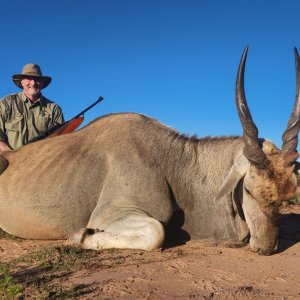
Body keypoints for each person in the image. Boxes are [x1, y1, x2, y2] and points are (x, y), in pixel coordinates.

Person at [0, 63, 64, 151]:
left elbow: (59, 140)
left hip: (42, 160)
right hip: (11, 161)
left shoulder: (54, 109)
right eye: (29, 78)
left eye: (37, 79)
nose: (33, 83)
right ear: (21, 82)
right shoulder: (5, 103)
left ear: (42, 83)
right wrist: (9, 153)